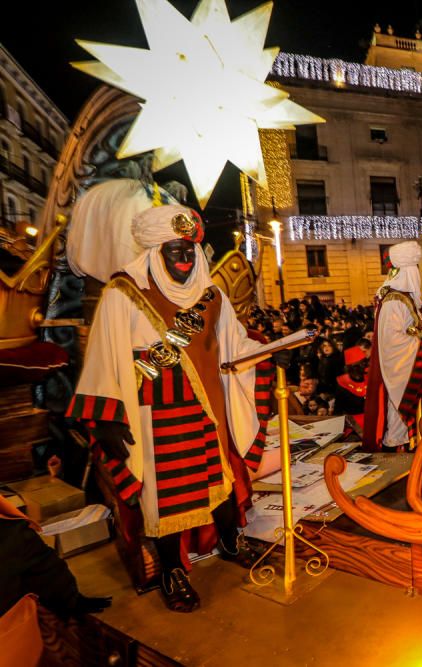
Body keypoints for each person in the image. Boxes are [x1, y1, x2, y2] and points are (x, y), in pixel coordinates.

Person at [66, 205, 272, 612]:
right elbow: (105, 361)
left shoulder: (212, 296)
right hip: (158, 417)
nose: (185, 259)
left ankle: (229, 541)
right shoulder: (122, 295)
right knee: (167, 499)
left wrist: (269, 353)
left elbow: (235, 347)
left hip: (212, 410)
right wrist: (106, 417)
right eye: (176, 249)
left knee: (225, 480)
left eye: (191, 250)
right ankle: (171, 571)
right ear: (156, 251)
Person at [363, 242, 422, 452]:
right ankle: (398, 452)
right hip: (399, 372)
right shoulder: (394, 301)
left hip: (405, 371)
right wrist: (421, 343)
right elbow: (391, 343)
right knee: (397, 419)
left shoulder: (404, 298)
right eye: (416, 269)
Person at [334, 346, 369, 439]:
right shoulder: (342, 384)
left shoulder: (369, 379)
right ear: (354, 366)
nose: (366, 365)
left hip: (371, 423)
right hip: (352, 428)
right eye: (363, 363)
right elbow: (338, 411)